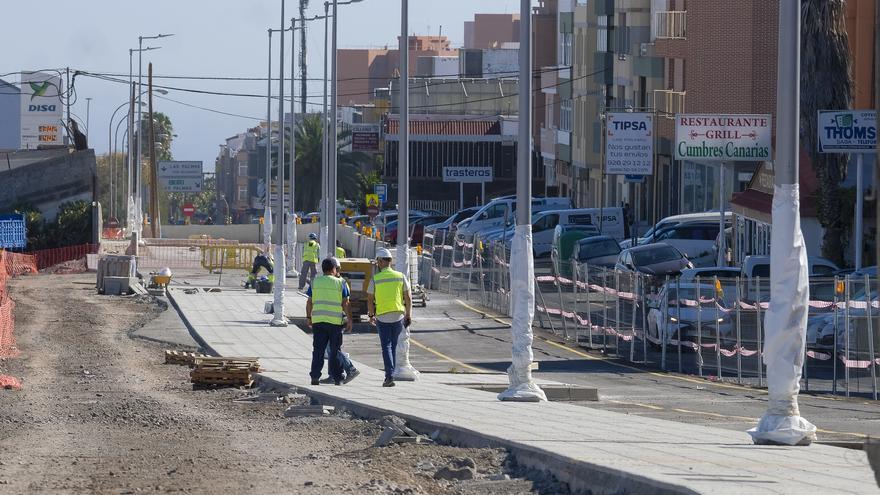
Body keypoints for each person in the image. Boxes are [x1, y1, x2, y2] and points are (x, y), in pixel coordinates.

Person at [366, 248, 412, 387]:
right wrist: (408, 315)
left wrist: (371, 314)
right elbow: (408, 297)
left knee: (386, 346)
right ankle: (390, 374)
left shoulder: (376, 278)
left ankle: (389, 376)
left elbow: (369, 298)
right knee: (392, 345)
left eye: (377, 262)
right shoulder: (400, 276)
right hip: (398, 315)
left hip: (383, 316)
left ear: (380, 261)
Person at [306, 257, 353, 385]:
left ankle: (315, 376)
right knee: (334, 351)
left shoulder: (315, 282)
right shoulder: (341, 283)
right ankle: (337, 378)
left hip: (318, 321)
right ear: (333, 269)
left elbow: (309, 302)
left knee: (318, 350)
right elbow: (346, 303)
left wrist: (309, 318)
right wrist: (350, 320)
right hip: (335, 323)